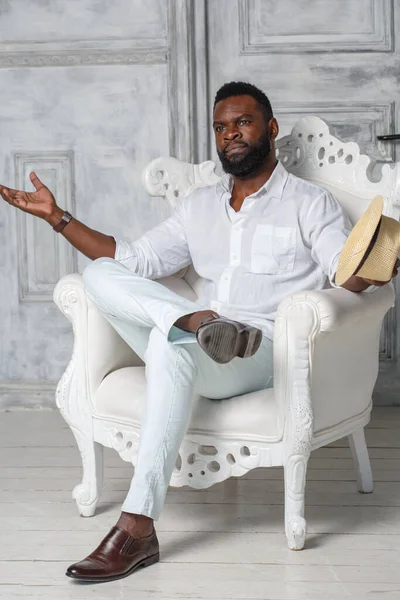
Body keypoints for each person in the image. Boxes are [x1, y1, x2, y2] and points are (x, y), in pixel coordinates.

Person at [1, 81, 397, 583]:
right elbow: (134, 260)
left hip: (260, 349)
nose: (230, 134)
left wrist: (379, 261)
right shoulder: (199, 205)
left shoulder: (308, 203)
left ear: (270, 128)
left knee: (171, 350)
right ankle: (191, 320)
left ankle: (137, 526)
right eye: (220, 126)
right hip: (206, 336)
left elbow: (345, 276)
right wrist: (58, 218)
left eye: (242, 123)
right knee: (101, 276)